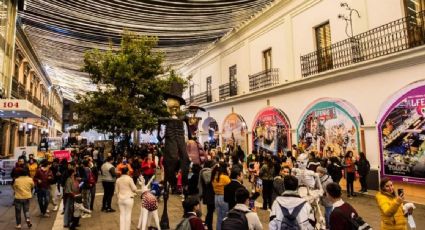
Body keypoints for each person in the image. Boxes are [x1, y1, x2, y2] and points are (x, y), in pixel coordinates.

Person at [211, 162, 231, 230]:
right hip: (223, 198)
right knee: (225, 217)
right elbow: (230, 185)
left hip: (216, 197)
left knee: (219, 217)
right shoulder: (225, 177)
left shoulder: (214, 177)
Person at [198, 160, 215, 230]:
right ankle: (207, 225)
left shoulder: (206, 171)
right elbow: (208, 181)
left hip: (209, 194)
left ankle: (208, 225)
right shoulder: (206, 172)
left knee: (210, 211)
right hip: (209, 195)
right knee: (210, 211)